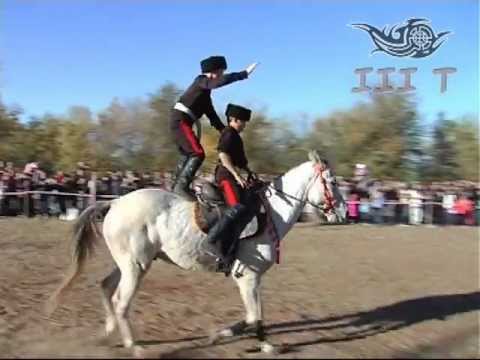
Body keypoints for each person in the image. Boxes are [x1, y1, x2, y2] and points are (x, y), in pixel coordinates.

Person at [170, 56, 258, 199]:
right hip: (180, 121)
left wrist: (225, 131)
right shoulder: (200, 81)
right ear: (213, 72)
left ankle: (176, 185)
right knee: (197, 153)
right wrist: (242, 75)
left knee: (189, 153)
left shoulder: (204, 94)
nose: (222, 75)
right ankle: (181, 187)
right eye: (221, 72)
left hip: (183, 121)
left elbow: (212, 115)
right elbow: (217, 83)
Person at [205, 103, 255, 271]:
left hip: (233, 177)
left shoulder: (236, 136)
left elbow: (241, 161)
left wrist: (250, 173)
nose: (244, 125)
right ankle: (212, 240)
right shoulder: (228, 134)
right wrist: (237, 176)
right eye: (242, 121)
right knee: (236, 208)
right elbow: (223, 155)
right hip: (225, 177)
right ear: (233, 120)